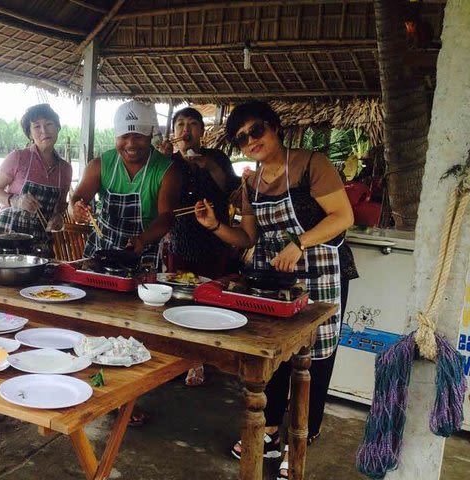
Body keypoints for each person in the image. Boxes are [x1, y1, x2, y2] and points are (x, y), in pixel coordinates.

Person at [194, 100, 357, 479]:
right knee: (277, 355)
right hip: (276, 280)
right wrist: (215, 225)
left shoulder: (312, 164)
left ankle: (302, 435)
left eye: (256, 131)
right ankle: (268, 429)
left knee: (314, 360)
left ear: (274, 127)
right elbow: (249, 236)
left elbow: (343, 216)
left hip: (320, 274)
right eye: (241, 138)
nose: (251, 141)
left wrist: (299, 244)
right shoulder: (250, 182)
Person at [158, 106, 242, 387]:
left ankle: (206, 356)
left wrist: (210, 167)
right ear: (174, 131)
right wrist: (160, 159)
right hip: (180, 239)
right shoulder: (169, 162)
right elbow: (161, 199)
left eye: (192, 124)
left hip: (215, 239)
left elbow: (232, 190)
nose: (186, 130)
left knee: (209, 296)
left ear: (202, 131)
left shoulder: (217, 157)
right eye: (180, 124)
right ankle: (184, 358)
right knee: (178, 296)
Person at [72, 100, 181, 267]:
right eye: (124, 137)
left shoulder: (166, 170)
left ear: (150, 134)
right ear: (116, 136)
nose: (131, 144)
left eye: (138, 136)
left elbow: (166, 216)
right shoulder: (100, 165)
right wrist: (76, 208)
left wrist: (142, 239)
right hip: (102, 252)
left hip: (143, 252)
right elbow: (77, 198)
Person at [0, 103, 72, 239]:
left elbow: (61, 205)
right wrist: (15, 201)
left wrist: (58, 218)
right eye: (37, 126)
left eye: (49, 124)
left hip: (40, 240)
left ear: (57, 127)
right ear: (30, 134)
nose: (44, 131)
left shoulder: (65, 169)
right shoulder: (18, 157)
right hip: (7, 235)